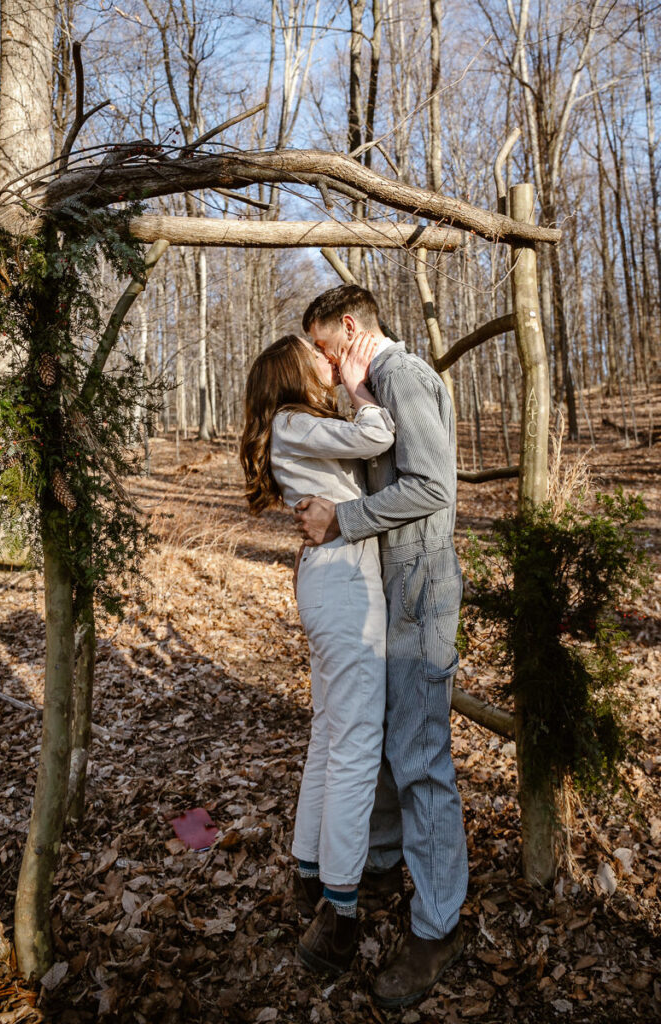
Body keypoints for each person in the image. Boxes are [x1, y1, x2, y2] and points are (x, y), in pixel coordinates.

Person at [295, 284, 467, 1010]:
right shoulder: (372, 386)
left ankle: (436, 928)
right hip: (387, 589)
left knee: (420, 757)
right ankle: (386, 870)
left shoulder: (399, 375)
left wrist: (343, 518)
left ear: (349, 327)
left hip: (419, 589)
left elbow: (431, 487)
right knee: (384, 744)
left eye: (328, 352)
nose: (329, 372)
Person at [240, 331, 395, 975]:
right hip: (342, 581)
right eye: (317, 358)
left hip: (328, 576)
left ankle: (310, 872)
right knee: (355, 744)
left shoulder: (290, 424)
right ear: (290, 374)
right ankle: (338, 912)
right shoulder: (295, 419)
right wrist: (360, 384)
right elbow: (379, 435)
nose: (327, 364)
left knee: (331, 733)